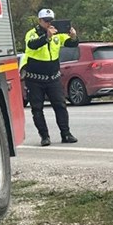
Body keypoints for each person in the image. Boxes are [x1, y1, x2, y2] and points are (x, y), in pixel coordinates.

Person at [23, 8, 78, 146]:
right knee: (37, 108)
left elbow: (72, 44)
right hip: (35, 78)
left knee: (60, 106)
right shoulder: (32, 33)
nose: (48, 23)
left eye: (50, 21)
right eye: (46, 21)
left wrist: (73, 37)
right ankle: (44, 136)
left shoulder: (57, 34)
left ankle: (66, 134)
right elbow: (32, 45)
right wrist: (46, 37)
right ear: (39, 20)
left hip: (53, 77)